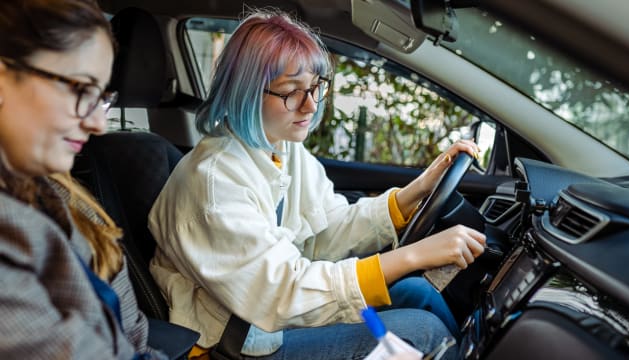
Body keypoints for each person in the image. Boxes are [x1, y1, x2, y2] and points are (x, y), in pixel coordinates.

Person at [148, 9, 486, 360]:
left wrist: (414, 191)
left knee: (417, 292)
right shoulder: (214, 183)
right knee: (423, 333)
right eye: (292, 92)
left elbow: (327, 229)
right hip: (239, 342)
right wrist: (412, 255)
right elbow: (282, 293)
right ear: (246, 92)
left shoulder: (281, 147)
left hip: (272, 321)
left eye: (314, 87)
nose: (310, 105)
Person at [0, 0, 167, 358]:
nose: (98, 124)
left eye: (102, 97)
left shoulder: (51, 191)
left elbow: (130, 332)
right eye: (81, 90)